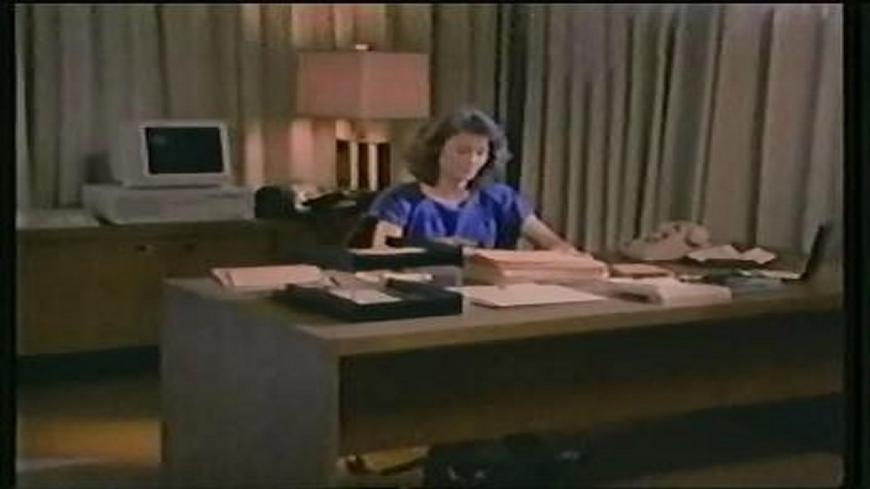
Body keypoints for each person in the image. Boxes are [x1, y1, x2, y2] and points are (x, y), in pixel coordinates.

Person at [367, 107, 583, 253]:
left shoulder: (501, 198)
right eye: (462, 151)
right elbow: (382, 256)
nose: (472, 160)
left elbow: (555, 245)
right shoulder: (401, 200)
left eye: (480, 153)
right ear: (437, 151)